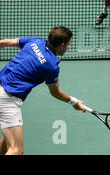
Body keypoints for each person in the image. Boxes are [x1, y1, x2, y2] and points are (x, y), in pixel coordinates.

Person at [0, 27, 86, 155]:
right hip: (7, 98)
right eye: (68, 44)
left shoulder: (34, 41)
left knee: (9, 142)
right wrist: (74, 102)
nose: (68, 47)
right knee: (16, 150)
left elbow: (2, 43)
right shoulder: (51, 66)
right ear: (62, 45)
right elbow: (55, 93)